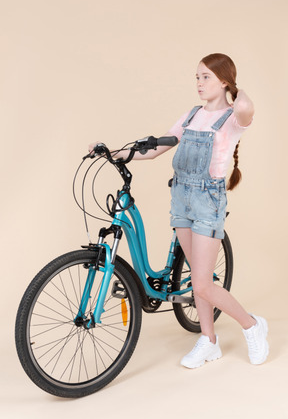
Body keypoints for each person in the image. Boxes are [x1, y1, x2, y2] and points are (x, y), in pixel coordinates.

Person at [89, 53, 269, 368]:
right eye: (197, 77)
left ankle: (253, 325)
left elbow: (245, 107)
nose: (199, 83)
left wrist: (235, 90)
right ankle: (208, 340)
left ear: (224, 80)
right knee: (198, 276)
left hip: (208, 201)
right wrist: (115, 153)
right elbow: (159, 147)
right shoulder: (191, 116)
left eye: (206, 77)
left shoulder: (232, 118)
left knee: (201, 283)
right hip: (181, 197)